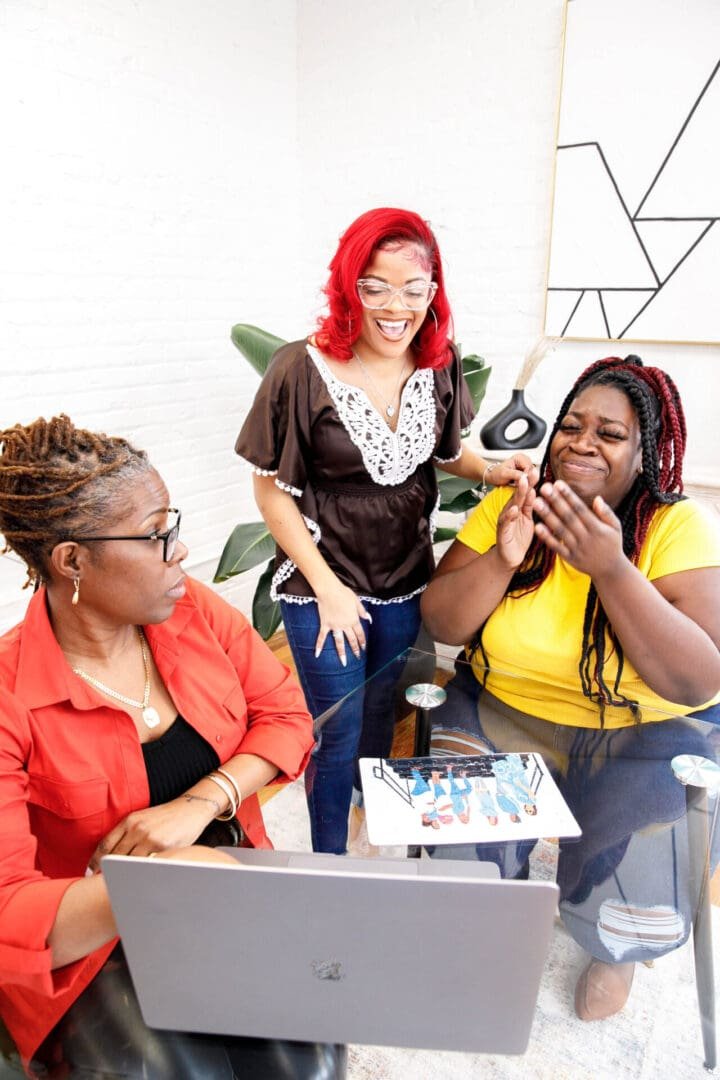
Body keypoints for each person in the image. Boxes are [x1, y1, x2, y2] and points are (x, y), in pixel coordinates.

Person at [0, 416, 344, 1078]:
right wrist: (164, 881)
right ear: (72, 560)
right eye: (157, 535)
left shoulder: (192, 613)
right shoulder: (12, 697)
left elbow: (286, 715)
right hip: (102, 940)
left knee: (311, 1059)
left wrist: (203, 800)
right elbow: (10, 910)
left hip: (233, 886)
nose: (181, 552)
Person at [421, 355, 720, 1022]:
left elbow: (699, 677)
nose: (583, 443)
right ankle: (492, 916)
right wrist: (504, 555)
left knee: (640, 841)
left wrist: (612, 570)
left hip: (643, 731)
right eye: (572, 427)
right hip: (505, 708)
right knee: (467, 846)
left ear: (646, 452)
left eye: (609, 434)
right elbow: (442, 622)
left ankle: (614, 944)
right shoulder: (510, 502)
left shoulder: (676, 527)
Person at [235, 206, 536, 854]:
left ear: (433, 291)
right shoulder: (300, 370)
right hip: (324, 583)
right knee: (336, 729)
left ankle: (366, 828)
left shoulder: (439, 362)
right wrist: (328, 589)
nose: (395, 305)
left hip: (404, 578)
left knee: (380, 712)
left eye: (413, 287)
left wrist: (496, 472)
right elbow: (270, 491)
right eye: (375, 285)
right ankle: (327, 860)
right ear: (348, 286)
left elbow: (448, 454)